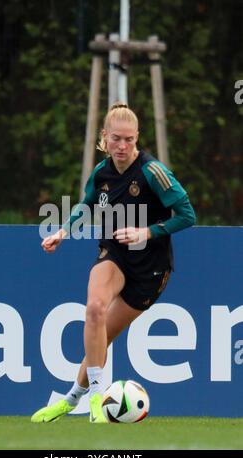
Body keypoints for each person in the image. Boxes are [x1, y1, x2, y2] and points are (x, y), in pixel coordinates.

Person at [31, 102, 196, 424]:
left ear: (137, 139)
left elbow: (188, 215)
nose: (122, 146)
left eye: (130, 140)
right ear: (104, 137)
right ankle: (97, 398)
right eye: (116, 139)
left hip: (151, 267)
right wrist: (63, 231)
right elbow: (87, 203)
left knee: (102, 337)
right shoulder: (102, 172)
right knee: (93, 309)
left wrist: (147, 232)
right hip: (116, 253)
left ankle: (69, 400)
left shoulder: (153, 172)